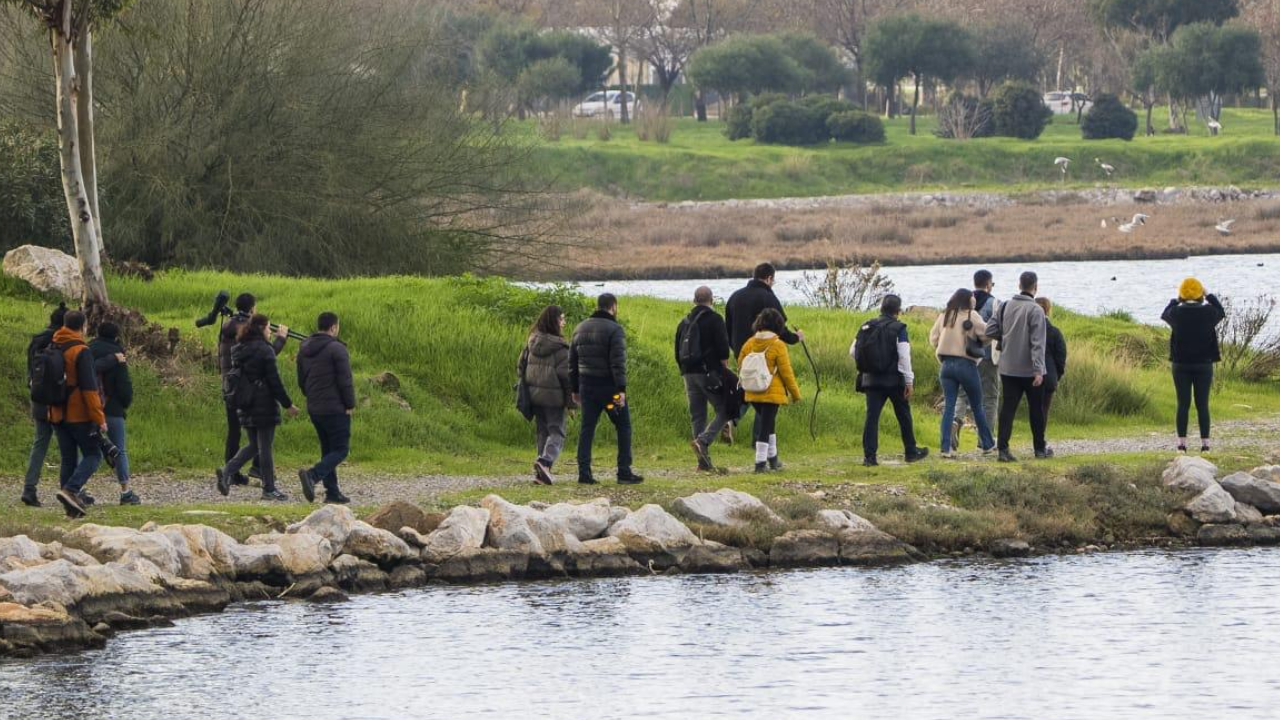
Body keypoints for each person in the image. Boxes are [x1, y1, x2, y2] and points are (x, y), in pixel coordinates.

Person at [216, 314, 298, 500]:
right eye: (269, 328)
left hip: (245, 402)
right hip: (263, 403)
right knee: (265, 447)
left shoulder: (240, 348)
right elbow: (274, 381)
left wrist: (278, 340)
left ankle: (226, 470)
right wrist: (288, 404)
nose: (270, 331)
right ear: (262, 328)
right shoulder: (264, 350)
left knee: (254, 445)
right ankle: (268, 488)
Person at [570, 293, 643, 485]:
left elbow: (573, 362)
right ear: (613, 306)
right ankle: (624, 471)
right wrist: (621, 390)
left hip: (587, 388)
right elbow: (617, 363)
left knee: (587, 428)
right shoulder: (615, 329)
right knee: (623, 426)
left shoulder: (579, 328)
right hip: (609, 390)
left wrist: (575, 389)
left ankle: (584, 473)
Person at [852, 295, 929, 467]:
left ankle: (869, 457)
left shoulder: (867, 326)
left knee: (872, 417)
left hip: (871, 380)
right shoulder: (899, 328)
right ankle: (910, 451)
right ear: (898, 311)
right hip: (894, 380)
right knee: (903, 415)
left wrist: (868, 366)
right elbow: (904, 356)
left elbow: (853, 351)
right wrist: (909, 381)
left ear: (881, 308)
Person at [48, 310, 107, 518]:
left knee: (68, 458)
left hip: (56, 412)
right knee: (94, 454)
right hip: (78, 414)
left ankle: (70, 507)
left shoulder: (53, 345)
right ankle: (71, 490)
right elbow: (89, 390)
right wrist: (99, 418)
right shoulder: (81, 350)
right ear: (83, 326)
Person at [985, 271, 1049, 462]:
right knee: (1036, 409)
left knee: (1008, 409)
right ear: (1035, 287)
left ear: (1019, 285)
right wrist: (1038, 370)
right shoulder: (1036, 310)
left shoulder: (1005, 306)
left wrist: (1006, 338)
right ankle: (1039, 448)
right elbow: (1038, 343)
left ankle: (1003, 449)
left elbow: (990, 329)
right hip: (1030, 369)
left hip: (1008, 367)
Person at [928, 289, 995, 459]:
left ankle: (945, 448)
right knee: (977, 405)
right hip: (966, 365)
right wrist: (981, 343)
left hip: (946, 365)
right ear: (968, 300)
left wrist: (943, 347)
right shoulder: (972, 316)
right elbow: (987, 333)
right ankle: (987, 444)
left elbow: (933, 338)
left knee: (949, 407)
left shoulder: (945, 315)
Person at [1162, 278, 1225, 453]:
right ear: (1200, 295)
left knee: (1183, 404)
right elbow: (1221, 310)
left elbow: (1165, 312)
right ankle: (1205, 445)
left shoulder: (1175, 313)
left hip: (1180, 365)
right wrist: (1208, 294)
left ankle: (1182, 444)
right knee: (1202, 404)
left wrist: (1176, 297)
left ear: (1182, 294)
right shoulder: (1209, 313)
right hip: (1204, 365)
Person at [296, 312, 354, 504]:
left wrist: (311, 397)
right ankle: (312, 475)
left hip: (315, 407)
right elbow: (345, 380)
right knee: (341, 449)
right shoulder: (337, 349)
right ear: (333, 327)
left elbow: (301, 380)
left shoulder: (304, 348)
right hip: (335, 407)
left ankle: (332, 492)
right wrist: (349, 404)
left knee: (328, 449)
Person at [738, 308, 801, 472]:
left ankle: (773, 459)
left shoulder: (749, 343)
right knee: (766, 426)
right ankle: (760, 463)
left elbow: (740, 364)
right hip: (771, 393)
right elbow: (787, 373)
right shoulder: (778, 345)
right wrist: (795, 394)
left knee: (769, 423)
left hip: (752, 392)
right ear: (778, 325)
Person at [676, 287, 732, 472]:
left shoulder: (684, 322)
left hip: (688, 374)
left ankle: (703, 463)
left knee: (697, 415)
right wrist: (725, 369)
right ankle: (703, 440)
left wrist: (684, 370)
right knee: (726, 409)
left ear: (694, 300)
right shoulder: (715, 319)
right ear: (712, 300)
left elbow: (677, 350)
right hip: (709, 373)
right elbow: (723, 349)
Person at [21, 302, 68, 507]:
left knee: (40, 442)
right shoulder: (60, 342)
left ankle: (29, 489)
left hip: (37, 398)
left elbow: (30, 370)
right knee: (68, 445)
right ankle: (71, 489)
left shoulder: (37, 340)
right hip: (57, 401)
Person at [89, 322, 142, 505]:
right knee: (119, 449)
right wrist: (124, 403)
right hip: (113, 408)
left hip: (90, 406)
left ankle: (76, 489)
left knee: (86, 448)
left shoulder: (89, 349)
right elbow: (124, 385)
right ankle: (125, 492)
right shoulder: (119, 355)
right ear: (116, 336)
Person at [522, 305, 574, 485]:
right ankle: (545, 462)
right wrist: (571, 403)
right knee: (557, 432)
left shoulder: (531, 342)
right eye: (562, 319)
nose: (564, 322)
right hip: (554, 398)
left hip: (534, 395)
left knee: (542, 431)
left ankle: (541, 473)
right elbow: (566, 378)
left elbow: (521, 367)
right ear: (554, 322)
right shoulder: (561, 348)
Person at [952, 270, 1000, 451]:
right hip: (986, 356)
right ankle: (984, 440)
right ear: (988, 284)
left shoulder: (963, 303)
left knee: (963, 395)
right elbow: (997, 329)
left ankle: (955, 422)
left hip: (964, 355)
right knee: (990, 397)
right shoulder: (994, 303)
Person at [725, 262, 802, 356]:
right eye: (773, 281)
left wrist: (736, 349)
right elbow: (780, 328)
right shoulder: (768, 297)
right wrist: (795, 337)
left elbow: (728, 329)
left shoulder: (734, 296)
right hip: (762, 355)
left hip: (741, 353)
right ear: (769, 278)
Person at [1035, 297, 1068, 424]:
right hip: (1048, 375)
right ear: (1048, 311)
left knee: (1034, 408)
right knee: (1044, 409)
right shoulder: (1054, 332)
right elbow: (1061, 357)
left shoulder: (1026, 331)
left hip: (1028, 375)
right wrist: (1057, 374)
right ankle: (1039, 439)